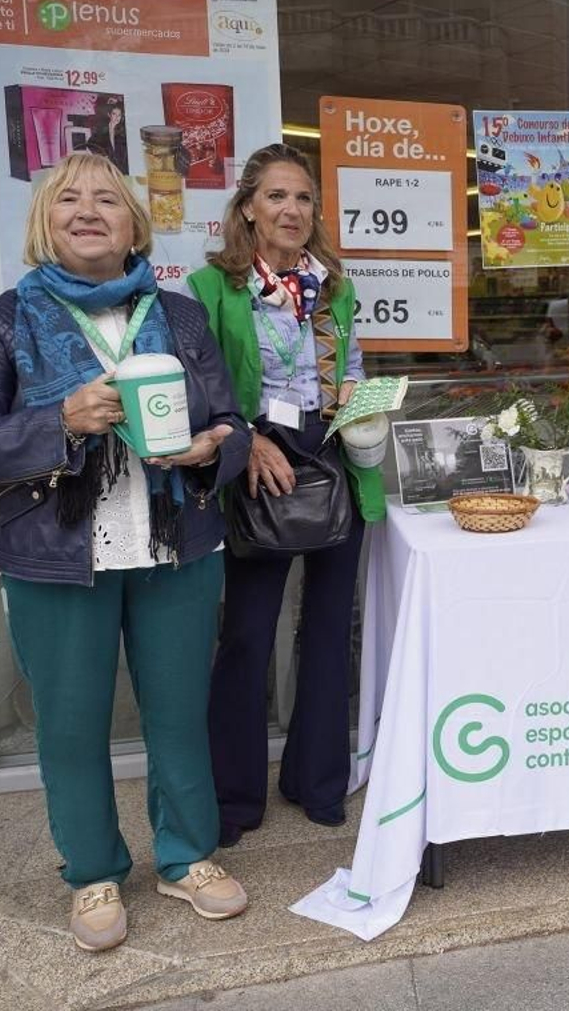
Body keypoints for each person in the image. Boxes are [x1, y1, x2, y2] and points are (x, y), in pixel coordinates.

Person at [0, 151, 253, 953]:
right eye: (69, 198)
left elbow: (233, 424)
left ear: (134, 224)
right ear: (46, 222)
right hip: (55, 551)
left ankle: (186, 856)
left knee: (180, 713)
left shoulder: (179, 315)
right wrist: (60, 422)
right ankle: (93, 871)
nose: (88, 209)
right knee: (70, 726)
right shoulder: (2, 320)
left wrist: (208, 449)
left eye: (107, 198)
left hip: (172, 543)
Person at [187, 142, 387, 848]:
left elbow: (351, 366)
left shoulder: (335, 288)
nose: (292, 209)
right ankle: (234, 796)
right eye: (276, 196)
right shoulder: (212, 289)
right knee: (246, 634)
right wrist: (245, 440)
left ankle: (317, 778)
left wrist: (363, 405)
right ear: (247, 207)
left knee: (331, 629)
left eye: (303, 198)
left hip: (330, 458)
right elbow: (201, 386)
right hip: (258, 463)